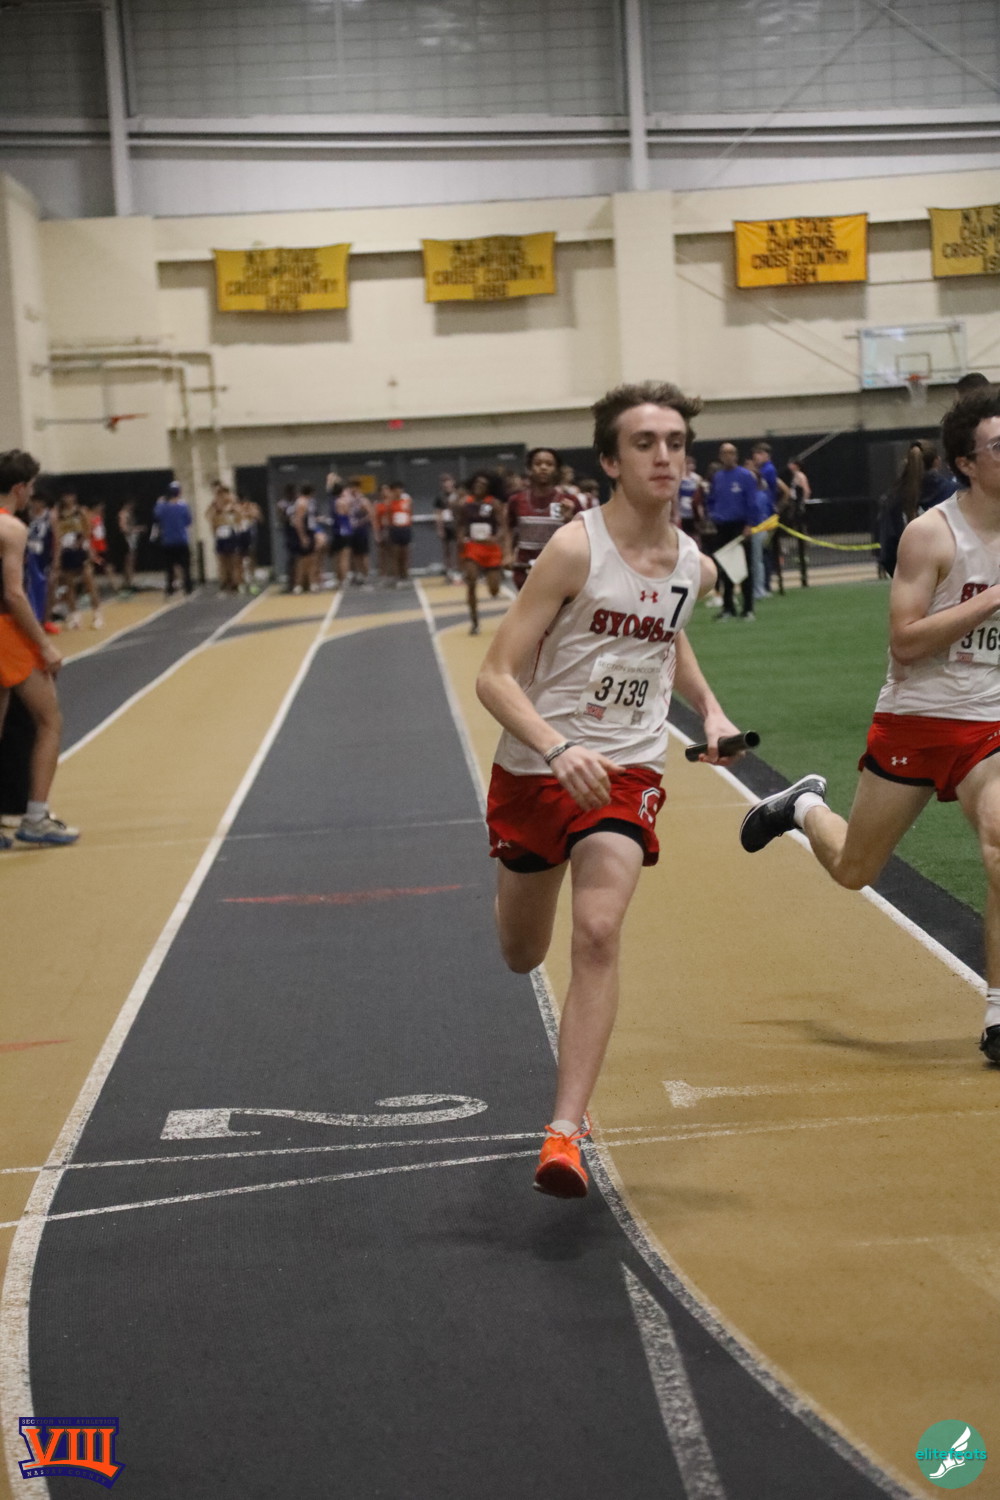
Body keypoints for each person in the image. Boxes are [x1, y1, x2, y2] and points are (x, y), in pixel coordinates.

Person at [476, 381, 741, 1198]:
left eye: (676, 443)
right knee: (521, 952)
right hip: (539, 768)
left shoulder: (694, 564)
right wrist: (556, 747)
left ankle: (564, 1133)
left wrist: (710, 709)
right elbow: (494, 676)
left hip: (627, 769)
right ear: (610, 461)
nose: (664, 456)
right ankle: (521, 883)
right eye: (644, 443)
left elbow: (668, 638)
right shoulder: (572, 551)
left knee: (596, 930)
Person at [739, 385, 1000, 1065]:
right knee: (856, 870)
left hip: (991, 722)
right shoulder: (933, 534)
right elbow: (906, 643)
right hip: (917, 718)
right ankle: (802, 807)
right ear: (967, 462)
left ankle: (999, 1015)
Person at [0, 450, 79, 846]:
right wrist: (44, 645)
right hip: (7, 632)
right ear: (19, 488)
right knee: (49, 721)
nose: (32, 494)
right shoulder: (12, 528)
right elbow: (14, 594)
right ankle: (36, 817)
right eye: (31, 487)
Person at [878, 441, 955, 578]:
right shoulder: (955, 493)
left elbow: (888, 551)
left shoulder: (893, 499)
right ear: (937, 462)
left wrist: (904, 579)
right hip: (954, 576)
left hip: (912, 579)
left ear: (907, 462)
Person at [507, 448, 579, 591]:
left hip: (558, 565)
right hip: (524, 566)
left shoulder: (569, 501)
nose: (543, 467)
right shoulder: (516, 500)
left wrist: (569, 519)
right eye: (538, 463)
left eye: (549, 464)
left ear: (556, 470)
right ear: (529, 469)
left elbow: (583, 534)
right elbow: (508, 528)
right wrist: (507, 555)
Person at [705, 443, 756, 620]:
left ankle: (748, 609)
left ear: (736, 455)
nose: (728, 456)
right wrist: (713, 515)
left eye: (731, 453)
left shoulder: (745, 476)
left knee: (744, 567)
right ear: (720, 456)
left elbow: (752, 501)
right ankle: (728, 608)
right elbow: (711, 499)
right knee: (725, 567)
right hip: (722, 526)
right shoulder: (718, 477)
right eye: (724, 453)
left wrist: (749, 524)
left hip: (740, 526)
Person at [455, 473, 509, 636]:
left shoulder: (494, 503)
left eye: (483, 484)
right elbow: (461, 525)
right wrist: (460, 538)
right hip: (472, 546)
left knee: (494, 590)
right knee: (471, 581)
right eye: (477, 483)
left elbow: (502, 526)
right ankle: (474, 622)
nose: (479, 486)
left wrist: (496, 538)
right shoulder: (465, 503)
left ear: (488, 488)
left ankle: (491, 581)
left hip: (490, 548)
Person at [53, 487, 102, 628]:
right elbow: (57, 531)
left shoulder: (80, 511)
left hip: (80, 549)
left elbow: (87, 529)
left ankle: (97, 613)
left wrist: (82, 543)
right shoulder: (59, 513)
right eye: (65, 496)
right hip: (65, 549)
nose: (68, 498)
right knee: (68, 583)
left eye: (70, 495)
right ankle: (75, 614)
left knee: (88, 580)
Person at [153, 480, 193, 596]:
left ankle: (170, 588)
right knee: (185, 566)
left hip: (168, 541)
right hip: (181, 540)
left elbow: (156, 517)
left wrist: (159, 503)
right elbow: (188, 521)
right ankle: (188, 587)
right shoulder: (183, 506)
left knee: (169, 567)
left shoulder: (162, 507)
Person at [207, 482, 243, 594]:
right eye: (220, 494)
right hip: (220, 534)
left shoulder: (233, 506)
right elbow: (209, 516)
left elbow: (239, 517)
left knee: (233, 560)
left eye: (224, 494)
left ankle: (235, 582)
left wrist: (232, 509)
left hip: (230, 533)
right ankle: (224, 581)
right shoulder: (215, 507)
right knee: (222, 560)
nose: (222, 497)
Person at [784, 459, 811, 588]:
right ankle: (800, 554)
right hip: (794, 505)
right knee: (796, 530)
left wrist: (802, 504)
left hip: (799, 506)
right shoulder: (794, 476)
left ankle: (804, 555)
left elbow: (806, 490)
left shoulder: (800, 476)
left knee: (802, 531)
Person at [434, 473, 462, 581]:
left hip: (456, 524)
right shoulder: (439, 497)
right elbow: (438, 513)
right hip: (446, 525)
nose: (447, 484)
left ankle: (459, 569)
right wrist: (439, 528)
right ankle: (449, 570)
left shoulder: (458, 495)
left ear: (453, 482)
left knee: (459, 548)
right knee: (447, 549)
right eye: (444, 482)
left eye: (448, 481)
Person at [385, 481, 414, 586]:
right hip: (395, 529)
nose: (399, 491)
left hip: (405, 528)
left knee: (405, 553)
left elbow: (410, 512)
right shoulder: (389, 502)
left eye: (400, 489)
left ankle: (405, 574)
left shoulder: (407, 500)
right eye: (396, 489)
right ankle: (396, 576)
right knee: (395, 554)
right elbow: (388, 516)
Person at [674, 455, 705, 539]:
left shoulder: (697, 478)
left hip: (693, 511)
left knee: (695, 533)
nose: (689, 466)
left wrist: (700, 511)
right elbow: (675, 496)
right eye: (687, 464)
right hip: (682, 511)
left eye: (691, 464)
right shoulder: (679, 478)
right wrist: (676, 513)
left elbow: (700, 497)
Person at [117, 498, 143, 594]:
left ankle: (129, 580)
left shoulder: (129, 514)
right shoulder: (123, 514)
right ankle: (128, 582)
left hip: (132, 540)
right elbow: (124, 528)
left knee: (131, 561)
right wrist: (136, 529)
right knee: (129, 562)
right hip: (127, 540)